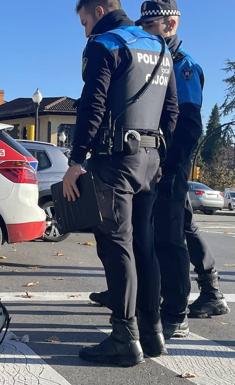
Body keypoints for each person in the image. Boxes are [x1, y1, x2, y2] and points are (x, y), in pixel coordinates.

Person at [90, 0, 230, 337]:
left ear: (171, 24)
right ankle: (135, 296)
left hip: (167, 165)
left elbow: (188, 125)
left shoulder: (183, 66)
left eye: (150, 28)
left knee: (169, 237)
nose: (145, 33)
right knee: (147, 233)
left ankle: (175, 312)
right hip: (148, 163)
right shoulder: (152, 57)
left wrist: (168, 166)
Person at [64, 0, 178, 366]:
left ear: (98, 11)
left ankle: (124, 337)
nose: (84, 30)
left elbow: (92, 105)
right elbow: (171, 111)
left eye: (83, 21)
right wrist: (159, 156)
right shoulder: (159, 47)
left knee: (117, 246)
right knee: (144, 246)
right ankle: (152, 331)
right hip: (150, 159)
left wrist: (76, 161)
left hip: (116, 159)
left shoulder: (105, 44)